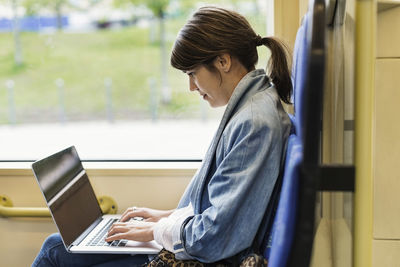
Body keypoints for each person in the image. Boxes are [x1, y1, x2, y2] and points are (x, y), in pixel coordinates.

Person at [32, 6, 292, 267]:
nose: (191, 87)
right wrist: (164, 218)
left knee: (55, 253)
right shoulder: (251, 109)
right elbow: (224, 207)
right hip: (201, 246)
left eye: (192, 73)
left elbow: (216, 235)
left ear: (223, 61)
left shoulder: (254, 123)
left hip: (209, 257)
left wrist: (156, 231)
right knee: (56, 246)